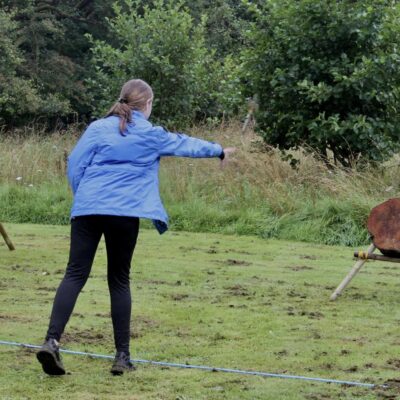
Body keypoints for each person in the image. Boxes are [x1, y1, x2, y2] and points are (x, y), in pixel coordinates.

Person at [36, 78, 235, 376]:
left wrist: (85, 197)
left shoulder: (97, 127)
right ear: (148, 104)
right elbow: (185, 144)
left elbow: (75, 163)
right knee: (118, 279)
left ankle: (51, 342)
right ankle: (122, 357)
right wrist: (219, 150)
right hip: (124, 213)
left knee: (75, 273)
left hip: (88, 209)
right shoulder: (150, 133)